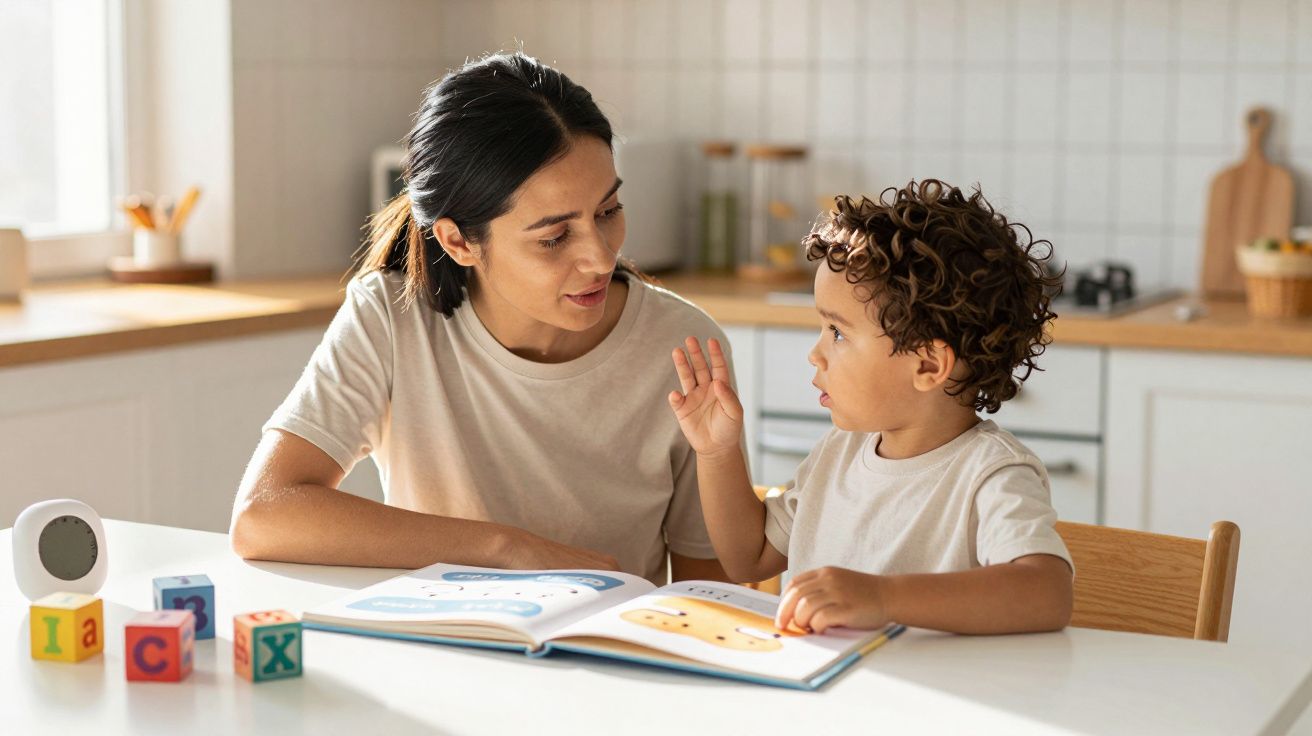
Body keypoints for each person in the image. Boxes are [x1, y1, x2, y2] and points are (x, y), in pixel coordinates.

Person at [230, 53, 731, 586]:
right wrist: (505, 547)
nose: (601, 258)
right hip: (443, 656)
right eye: (554, 238)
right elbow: (264, 513)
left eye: (608, 212)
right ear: (459, 240)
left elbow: (708, 595)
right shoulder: (392, 320)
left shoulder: (682, 345)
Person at [667, 180, 1074, 633]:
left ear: (928, 364)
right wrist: (717, 453)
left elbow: (1046, 593)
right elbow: (748, 558)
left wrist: (883, 597)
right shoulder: (839, 450)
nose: (815, 354)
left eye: (837, 333)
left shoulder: (990, 474)